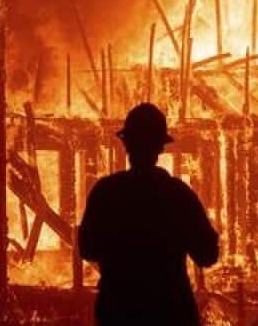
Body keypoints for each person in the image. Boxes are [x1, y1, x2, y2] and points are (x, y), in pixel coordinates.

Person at [78, 103, 218, 326]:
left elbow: (87, 248)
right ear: (161, 148)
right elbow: (208, 254)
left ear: (126, 144)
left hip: (119, 311)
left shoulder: (106, 192)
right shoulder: (178, 195)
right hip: (171, 311)